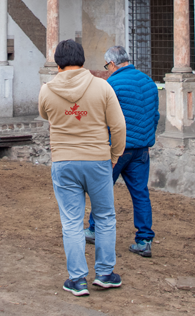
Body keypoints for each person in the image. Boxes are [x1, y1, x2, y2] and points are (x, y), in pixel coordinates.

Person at [39, 39, 127, 297]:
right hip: (98, 160)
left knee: (72, 222)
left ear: (57, 62)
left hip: (64, 162)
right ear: (83, 59)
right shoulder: (102, 86)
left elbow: (45, 115)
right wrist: (115, 155)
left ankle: (77, 279)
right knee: (105, 217)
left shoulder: (47, 90)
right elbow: (119, 126)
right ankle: (105, 274)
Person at [84, 45, 159, 257]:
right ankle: (144, 239)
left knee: (102, 189)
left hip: (118, 149)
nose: (107, 69)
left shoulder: (112, 84)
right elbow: (155, 116)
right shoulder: (148, 81)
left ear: (113, 63)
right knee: (140, 193)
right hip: (142, 149)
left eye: (107, 65)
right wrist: (146, 140)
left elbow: (104, 119)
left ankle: (94, 229)